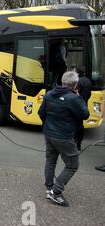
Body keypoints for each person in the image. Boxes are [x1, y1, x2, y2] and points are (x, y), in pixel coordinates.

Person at [38, 71, 89, 207]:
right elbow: (85, 114)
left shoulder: (49, 94)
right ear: (75, 85)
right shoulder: (74, 98)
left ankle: (49, 187)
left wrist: (48, 125)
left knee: (50, 160)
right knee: (73, 165)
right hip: (64, 136)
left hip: (49, 133)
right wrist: (80, 97)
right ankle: (56, 192)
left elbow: (41, 113)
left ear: (62, 81)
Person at [74, 66, 92, 152]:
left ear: (77, 73)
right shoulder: (88, 80)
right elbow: (89, 94)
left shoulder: (79, 81)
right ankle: (78, 144)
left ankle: (75, 143)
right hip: (84, 104)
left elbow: (76, 94)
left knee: (75, 125)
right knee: (80, 125)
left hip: (77, 105)